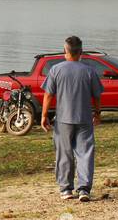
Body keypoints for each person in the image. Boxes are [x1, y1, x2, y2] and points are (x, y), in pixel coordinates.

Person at [41, 35, 104, 202]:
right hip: (84, 118)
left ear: (65, 51)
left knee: (64, 154)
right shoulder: (89, 70)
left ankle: (66, 189)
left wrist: (44, 115)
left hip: (63, 119)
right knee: (85, 154)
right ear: (81, 52)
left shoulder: (56, 69)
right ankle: (84, 189)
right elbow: (97, 96)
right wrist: (97, 113)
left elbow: (48, 95)